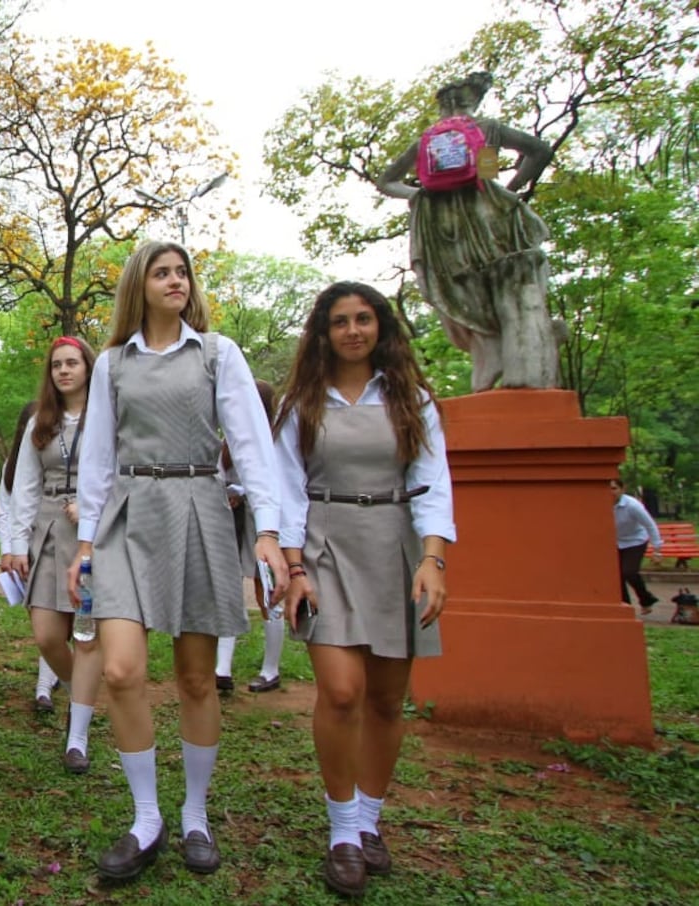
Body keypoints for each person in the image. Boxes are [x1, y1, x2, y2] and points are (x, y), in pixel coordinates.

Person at [68, 240, 288, 879]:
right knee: (120, 670)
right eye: (162, 272)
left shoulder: (218, 354)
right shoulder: (110, 364)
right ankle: (147, 818)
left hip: (199, 507)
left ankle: (194, 814)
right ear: (140, 284)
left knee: (195, 677)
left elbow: (250, 444)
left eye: (182, 272)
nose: (176, 281)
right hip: (128, 515)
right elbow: (99, 456)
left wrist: (267, 531)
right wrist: (85, 543)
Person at [274, 281, 455, 897]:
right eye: (340, 322)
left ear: (381, 327)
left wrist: (433, 560)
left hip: (394, 547)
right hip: (325, 547)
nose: (353, 330)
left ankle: (372, 822)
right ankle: (343, 832)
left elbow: (433, 482)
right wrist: (295, 568)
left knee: (384, 698)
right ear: (323, 333)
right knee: (342, 691)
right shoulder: (302, 402)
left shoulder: (413, 399)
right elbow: (287, 490)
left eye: (364, 319)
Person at [377, 71, 557, 391]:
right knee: (501, 283)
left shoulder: (426, 141)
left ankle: (490, 352)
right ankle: (496, 353)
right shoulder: (487, 131)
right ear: (473, 101)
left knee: (466, 287)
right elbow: (540, 151)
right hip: (487, 217)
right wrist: (512, 189)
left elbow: (386, 181)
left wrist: (416, 195)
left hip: (440, 223)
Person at [10, 336, 103, 773]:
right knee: (48, 636)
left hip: (93, 535)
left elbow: (121, 475)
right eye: (56, 365)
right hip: (46, 531)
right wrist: (14, 544)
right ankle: (79, 691)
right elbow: (23, 486)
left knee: (85, 635)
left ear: (88, 367)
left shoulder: (108, 417)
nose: (64, 371)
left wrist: (91, 507)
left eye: (72, 363)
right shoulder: (40, 422)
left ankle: (78, 734)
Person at [215, 379, 284, 695]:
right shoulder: (229, 438)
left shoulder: (277, 439)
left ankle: (271, 670)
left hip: (266, 525)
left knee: (266, 590)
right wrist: (228, 493)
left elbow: (278, 481)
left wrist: (243, 492)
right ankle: (222, 669)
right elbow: (218, 473)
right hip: (233, 521)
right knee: (228, 587)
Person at [0, 401, 62, 713]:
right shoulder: (14, 464)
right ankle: (52, 674)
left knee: (57, 618)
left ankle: (44, 684)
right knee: (41, 619)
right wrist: (10, 549)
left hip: (55, 542)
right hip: (27, 549)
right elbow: (5, 509)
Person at [611, 477, 663, 613]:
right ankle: (625, 605)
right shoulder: (601, 503)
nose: (610, 492)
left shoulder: (632, 505)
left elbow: (650, 525)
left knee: (629, 572)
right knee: (615, 575)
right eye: (607, 489)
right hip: (615, 542)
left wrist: (657, 550)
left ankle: (646, 599)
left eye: (614, 488)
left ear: (622, 489)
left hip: (636, 541)